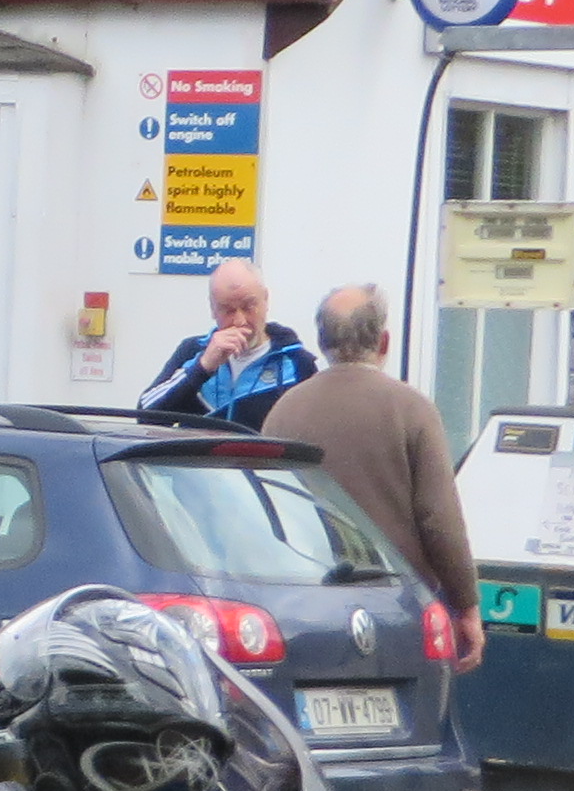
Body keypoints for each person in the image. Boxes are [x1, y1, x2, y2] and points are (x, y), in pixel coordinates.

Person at [264, 284, 484, 668]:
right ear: (384, 341)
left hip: (304, 609)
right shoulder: (413, 410)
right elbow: (439, 520)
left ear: (322, 341)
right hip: (399, 609)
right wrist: (466, 604)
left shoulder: (284, 412)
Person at [136, 259, 316, 431]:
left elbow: (311, 431)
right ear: (213, 309)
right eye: (227, 310)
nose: (240, 321)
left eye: (248, 306)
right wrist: (202, 367)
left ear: (266, 300)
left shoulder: (296, 362)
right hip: (199, 454)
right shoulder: (192, 351)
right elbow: (146, 417)